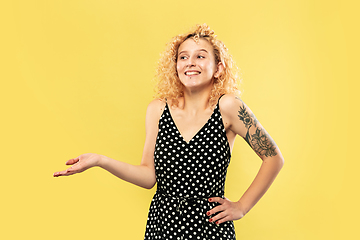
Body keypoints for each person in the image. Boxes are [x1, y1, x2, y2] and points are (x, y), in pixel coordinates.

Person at [53, 24, 284, 240]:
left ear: (218, 68)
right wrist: (99, 160)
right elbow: (148, 176)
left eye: (200, 56)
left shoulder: (229, 107)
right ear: (175, 67)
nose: (190, 62)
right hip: (162, 226)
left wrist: (242, 207)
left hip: (209, 229)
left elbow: (273, 158)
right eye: (183, 57)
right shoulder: (157, 110)